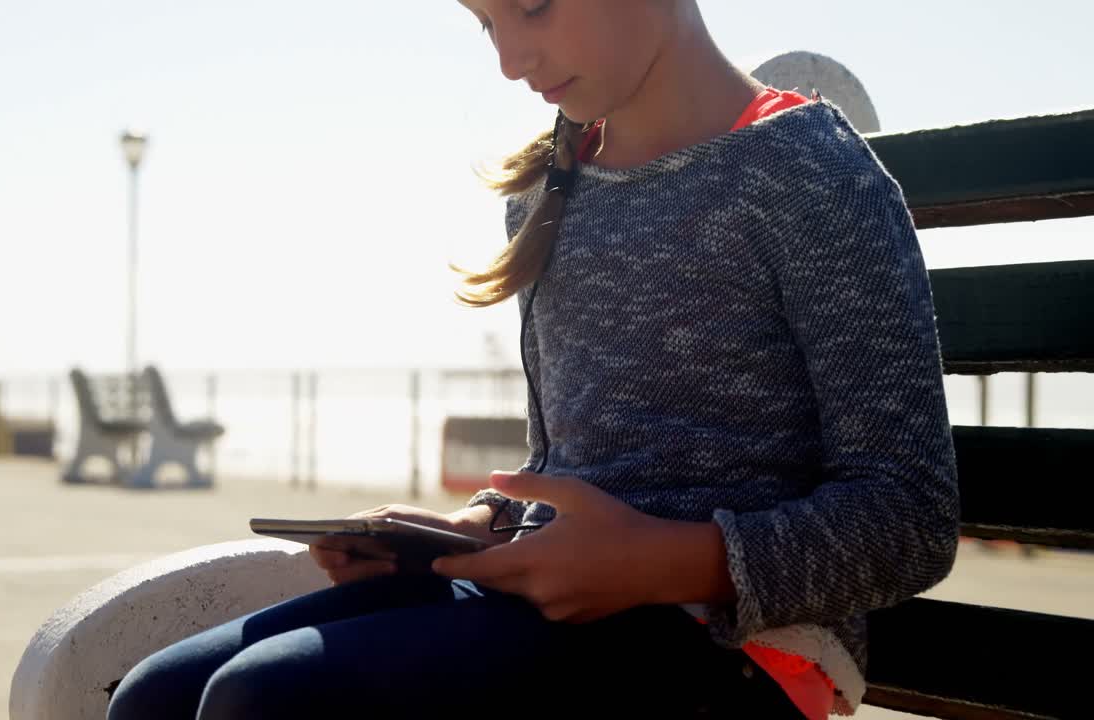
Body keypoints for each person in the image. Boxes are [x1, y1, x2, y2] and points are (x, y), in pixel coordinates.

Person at [107, 1, 960, 718]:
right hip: (547, 608)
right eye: (486, 23)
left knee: (267, 699)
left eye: (535, 5)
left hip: (747, 654)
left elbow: (910, 520)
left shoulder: (811, 178)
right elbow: (564, 463)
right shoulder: (550, 192)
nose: (513, 59)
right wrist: (474, 529)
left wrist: (658, 561)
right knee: (153, 696)